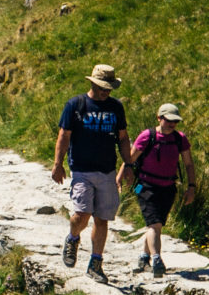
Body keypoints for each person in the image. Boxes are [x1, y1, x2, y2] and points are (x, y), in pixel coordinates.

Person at [50, 62, 131, 283]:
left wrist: (129, 164)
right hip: (82, 170)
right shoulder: (76, 105)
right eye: (103, 87)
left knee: (102, 219)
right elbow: (64, 136)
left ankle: (95, 263)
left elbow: (123, 138)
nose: (106, 92)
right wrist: (58, 164)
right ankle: (73, 238)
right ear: (93, 83)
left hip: (107, 171)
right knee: (81, 215)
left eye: (109, 88)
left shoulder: (115, 107)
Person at [121, 101, 199, 276]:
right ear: (159, 118)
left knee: (155, 225)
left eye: (175, 121)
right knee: (154, 223)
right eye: (168, 120)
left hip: (168, 187)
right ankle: (157, 259)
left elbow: (188, 164)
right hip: (143, 186)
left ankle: (144, 257)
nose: (172, 124)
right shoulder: (147, 136)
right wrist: (119, 177)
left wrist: (191, 187)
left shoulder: (180, 139)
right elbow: (130, 158)